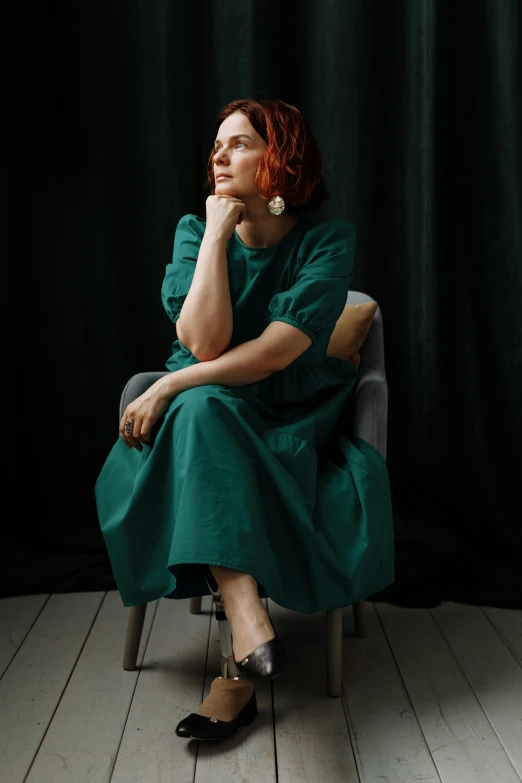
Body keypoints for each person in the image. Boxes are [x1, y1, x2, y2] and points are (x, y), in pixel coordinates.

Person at [95, 98, 394, 741]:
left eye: (238, 144)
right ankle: (246, 613)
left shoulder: (325, 241)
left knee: (199, 403)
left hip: (287, 419)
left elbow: (275, 354)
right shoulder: (192, 232)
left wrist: (170, 383)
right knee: (204, 409)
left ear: (279, 159)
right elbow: (206, 342)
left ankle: (234, 669)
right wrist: (215, 236)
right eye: (216, 147)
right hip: (205, 418)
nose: (218, 156)